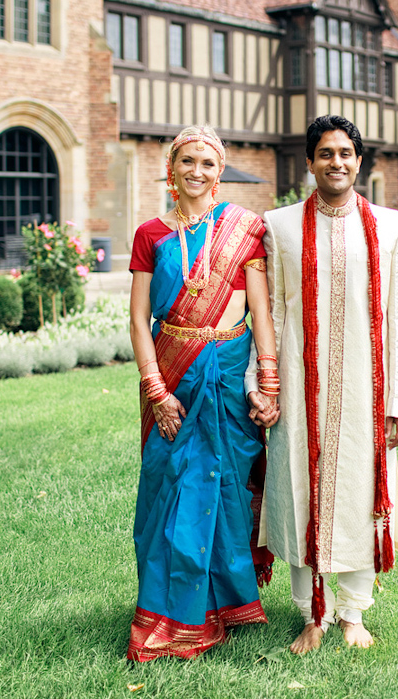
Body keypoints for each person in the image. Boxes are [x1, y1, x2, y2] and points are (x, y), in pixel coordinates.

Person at [247, 115, 398, 654]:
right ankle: (310, 616)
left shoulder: (391, 226)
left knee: (361, 495)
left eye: (345, 153)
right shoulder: (279, 226)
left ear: (359, 161)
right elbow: (266, 312)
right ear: (310, 162)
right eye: (325, 153)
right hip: (299, 387)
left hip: (368, 392)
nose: (336, 162)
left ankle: (352, 614)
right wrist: (263, 383)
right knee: (298, 490)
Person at [127, 124, 280, 662]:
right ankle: (170, 614)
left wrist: (269, 378)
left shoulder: (245, 228)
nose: (197, 171)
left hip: (229, 372)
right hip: (174, 374)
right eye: (188, 161)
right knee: (169, 490)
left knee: (226, 488)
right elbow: (139, 319)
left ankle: (221, 603)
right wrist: (155, 388)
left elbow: (260, 311)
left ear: (220, 171)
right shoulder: (150, 233)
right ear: (173, 167)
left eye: (208, 163)